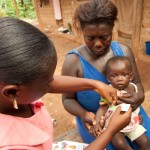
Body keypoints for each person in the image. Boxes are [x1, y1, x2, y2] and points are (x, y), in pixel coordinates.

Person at [0, 17, 132, 150]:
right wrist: (111, 131)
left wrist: (96, 85)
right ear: (11, 92)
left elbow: (49, 83)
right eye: (47, 83)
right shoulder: (11, 144)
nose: (52, 82)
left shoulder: (19, 86)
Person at [61, 0, 150, 149]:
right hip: (99, 122)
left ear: (112, 29)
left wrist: (138, 97)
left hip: (131, 116)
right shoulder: (73, 62)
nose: (98, 44)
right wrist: (83, 114)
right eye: (90, 38)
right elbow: (67, 100)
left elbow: (137, 84)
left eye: (104, 37)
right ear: (83, 32)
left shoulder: (124, 51)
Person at [91, 56, 149, 150]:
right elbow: (102, 108)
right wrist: (97, 123)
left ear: (131, 76)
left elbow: (134, 104)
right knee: (119, 143)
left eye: (124, 75)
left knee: (145, 142)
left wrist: (137, 114)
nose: (120, 79)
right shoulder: (108, 91)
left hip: (132, 121)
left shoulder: (133, 88)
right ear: (108, 78)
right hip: (114, 125)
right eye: (114, 76)